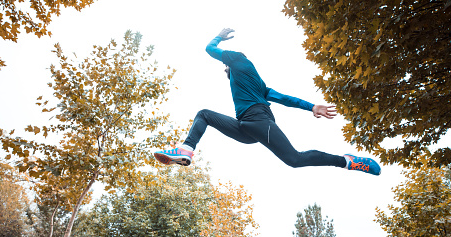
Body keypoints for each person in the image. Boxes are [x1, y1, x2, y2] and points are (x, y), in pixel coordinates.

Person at [154, 28, 381, 176]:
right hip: (245, 127)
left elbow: (210, 50)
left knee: (294, 159)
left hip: (259, 122)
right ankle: (186, 151)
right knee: (204, 114)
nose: (225, 69)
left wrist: (219, 37)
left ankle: (347, 161)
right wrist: (312, 106)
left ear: (234, 59)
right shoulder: (256, 85)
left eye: (227, 66)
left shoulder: (239, 61)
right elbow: (284, 98)